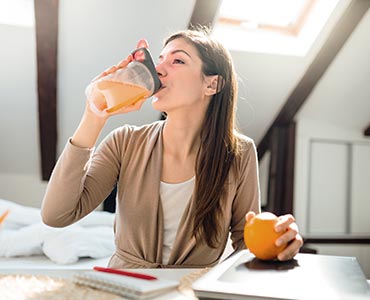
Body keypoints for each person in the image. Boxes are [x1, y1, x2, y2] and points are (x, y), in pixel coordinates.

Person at [41, 28, 303, 268]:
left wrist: (279, 245)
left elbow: (246, 243)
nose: (159, 70)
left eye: (177, 60)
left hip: (191, 292)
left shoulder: (239, 153)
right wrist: (94, 115)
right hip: (126, 289)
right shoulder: (124, 142)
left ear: (212, 84)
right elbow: (56, 215)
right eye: (160, 60)